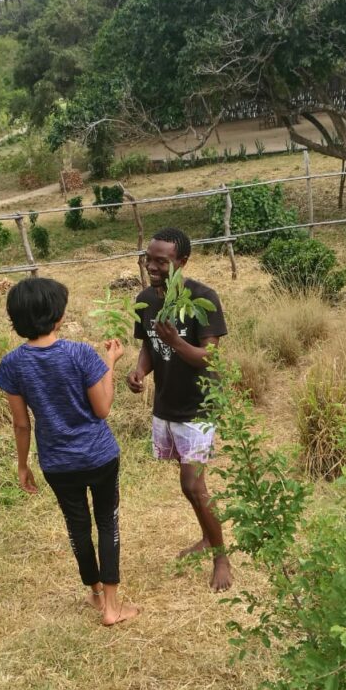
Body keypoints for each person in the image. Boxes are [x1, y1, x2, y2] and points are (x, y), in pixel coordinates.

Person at [0, 277, 138, 626]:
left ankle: (93, 592)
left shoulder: (12, 364)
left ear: (17, 321)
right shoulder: (81, 354)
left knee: (77, 527)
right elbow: (102, 408)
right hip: (100, 456)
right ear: (58, 317)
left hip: (57, 462)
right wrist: (111, 362)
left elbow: (21, 424)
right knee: (107, 523)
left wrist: (23, 465)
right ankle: (111, 607)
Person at [127, 228, 232, 592]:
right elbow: (148, 346)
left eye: (162, 261)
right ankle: (208, 538)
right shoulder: (145, 299)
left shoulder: (202, 297)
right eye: (149, 259)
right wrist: (140, 370)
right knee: (190, 487)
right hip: (167, 404)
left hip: (198, 405)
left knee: (192, 484)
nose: (152, 266)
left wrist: (176, 340)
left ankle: (220, 556)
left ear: (182, 262)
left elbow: (210, 356)